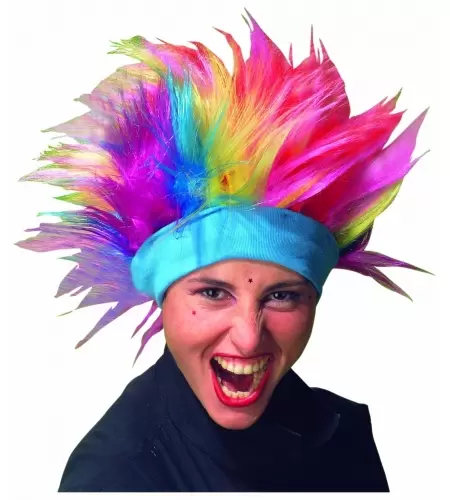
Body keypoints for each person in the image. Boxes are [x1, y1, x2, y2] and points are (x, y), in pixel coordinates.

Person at [16, 11, 429, 492]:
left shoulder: (343, 435)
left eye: (282, 296)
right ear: (164, 298)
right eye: (213, 293)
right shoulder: (114, 475)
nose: (249, 339)